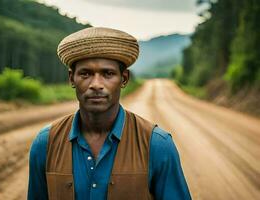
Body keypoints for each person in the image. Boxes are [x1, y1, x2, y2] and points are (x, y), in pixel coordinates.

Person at [28, 27, 191, 200]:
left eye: (108, 73)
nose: (96, 84)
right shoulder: (46, 143)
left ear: (124, 79)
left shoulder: (157, 145)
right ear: (71, 79)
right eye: (85, 73)